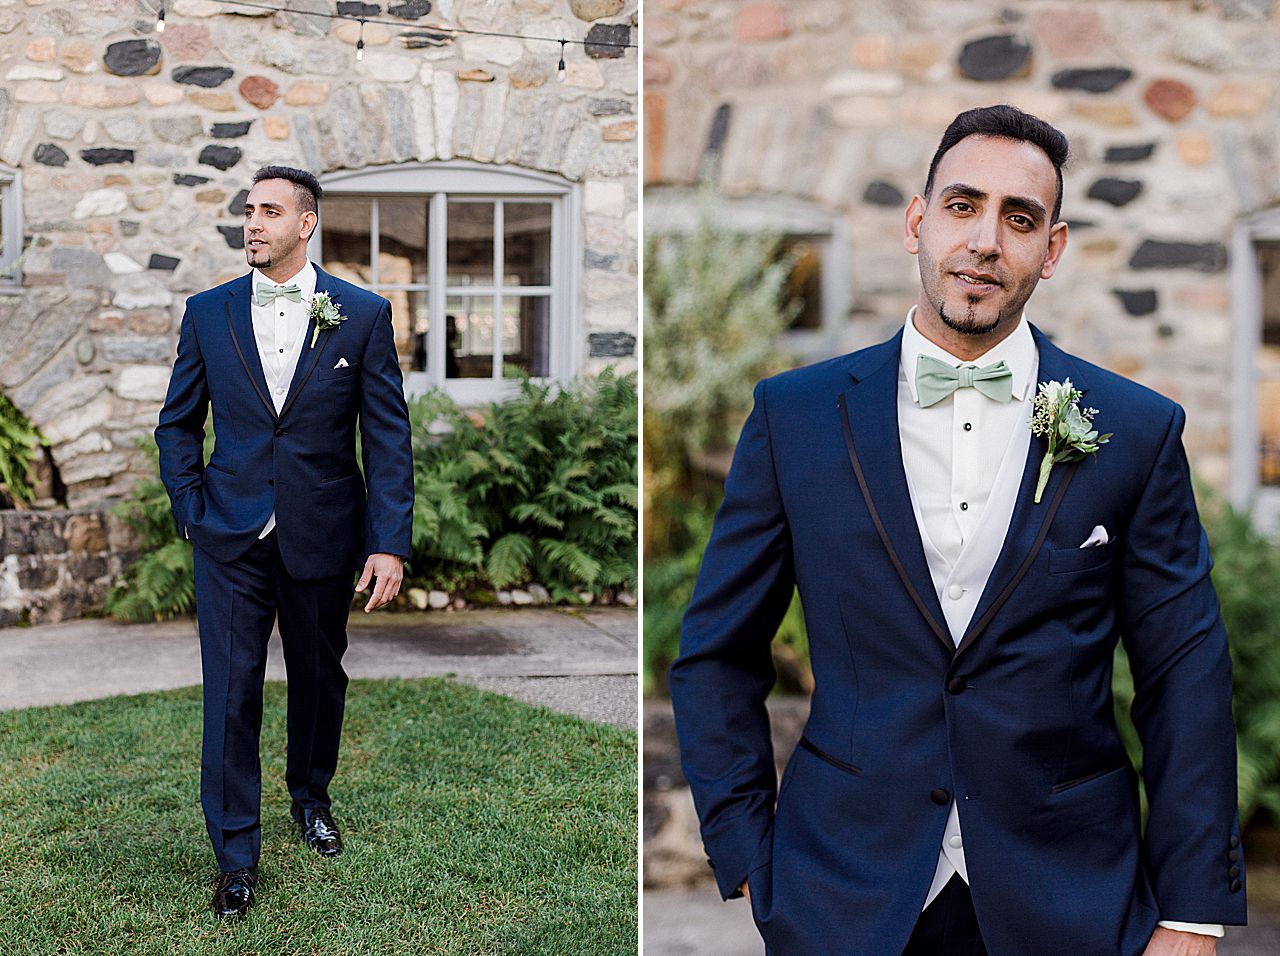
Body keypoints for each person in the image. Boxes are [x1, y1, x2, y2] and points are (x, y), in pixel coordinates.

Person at [669, 106, 1246, 955]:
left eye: (1020, 219)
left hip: (1073, 901)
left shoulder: (1136, 429)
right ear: (917, 221)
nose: (985, 241)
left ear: (1052, 249)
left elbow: (1184, 676)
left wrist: (1192, 913)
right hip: (841, 896)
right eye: (963, 205)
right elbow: (717, 654)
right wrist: (750, 852)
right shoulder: (795, 418)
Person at [155, 165, 413, 918]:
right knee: (230, 695)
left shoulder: (362, 314)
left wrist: (388, 542)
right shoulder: (207, 313)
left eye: (269, 211)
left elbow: (387, 438)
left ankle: (311, 799)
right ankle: (236, 857)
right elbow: (177, 424)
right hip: (229, 535)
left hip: (323, 532)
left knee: (319, 679)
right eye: (248, 210)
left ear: (306, 223)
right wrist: (191, 508)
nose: (253, 223)